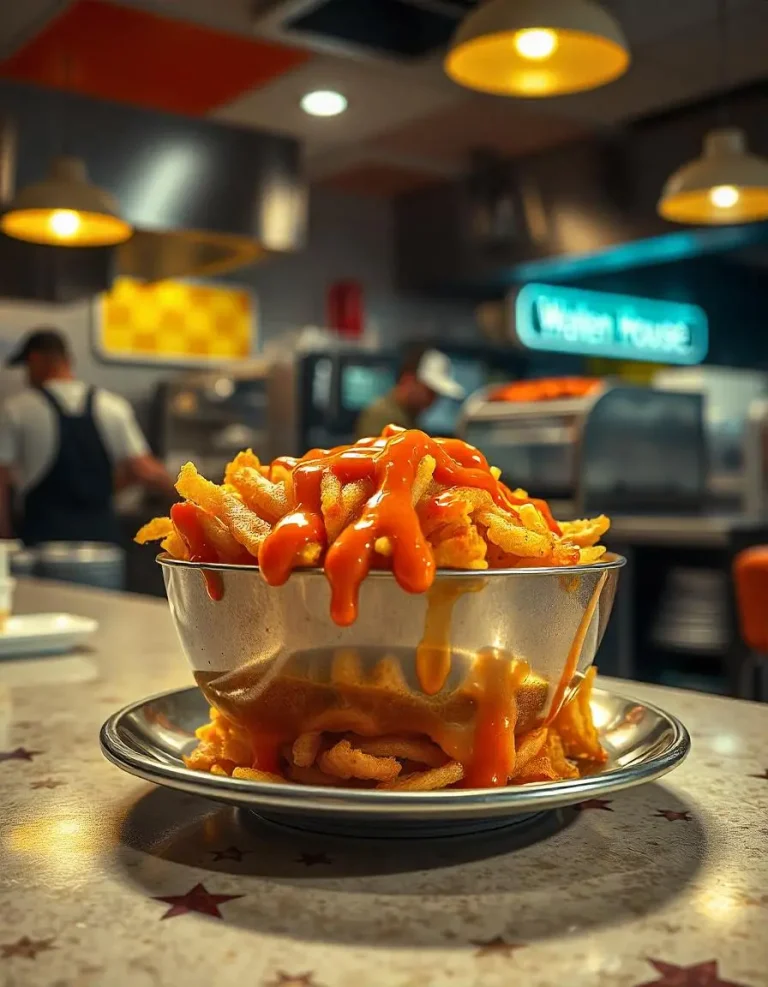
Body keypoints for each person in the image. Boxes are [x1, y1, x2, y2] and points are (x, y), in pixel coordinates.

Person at [0, 327, 174, 545]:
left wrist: (4, 538)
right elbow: (143, 469)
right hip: (101, 544)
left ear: (35, 360)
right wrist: (186, 498)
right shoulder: (112, 406)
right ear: (68, 360)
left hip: (44, 542)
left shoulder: (17, 410)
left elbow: (2, 479)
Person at [355, 345, 465, 440]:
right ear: (408, 380)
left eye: (436, 395)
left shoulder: (409, 416)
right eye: (429, 392)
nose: (432, 400)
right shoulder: (381, 416)